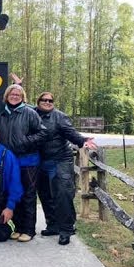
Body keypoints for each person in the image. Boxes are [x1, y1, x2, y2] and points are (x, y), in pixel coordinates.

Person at [35, 91, 97, 246]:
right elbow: (19, 102)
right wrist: (18, 86)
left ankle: (66, 229)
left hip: (60, 159)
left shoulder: (60, 117)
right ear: (38, 101)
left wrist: (83, 141)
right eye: (44, 100)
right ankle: (53, 225)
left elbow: (70, 133)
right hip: (41, 161)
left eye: (50, 100)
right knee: (45, 195)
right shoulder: (32, 113)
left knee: (62, 195)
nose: (47, 102)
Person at [0, 84, 48, 242]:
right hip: (9, 161)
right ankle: (17, 227)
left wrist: (26, 142)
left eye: (18, 94)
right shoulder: (1, 115)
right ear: (7, 96)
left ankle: (29, 230)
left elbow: (43, 132)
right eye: (12, 94)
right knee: (13, 194)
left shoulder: (29, 113)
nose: (15, 96)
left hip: (28, 161)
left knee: (28, 195)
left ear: (22, 96)